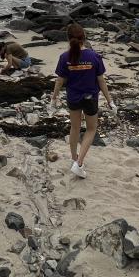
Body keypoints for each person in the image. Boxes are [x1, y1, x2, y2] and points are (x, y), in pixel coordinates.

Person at [51, 24, 115, 178]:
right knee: (91, 129)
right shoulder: (94, 56)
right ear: (84, 38)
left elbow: (60, 81)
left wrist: (54, 98)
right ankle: (78, 163)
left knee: (75, 128)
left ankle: (74, 158)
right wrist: (110, 101)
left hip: (73, 97)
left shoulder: (64, 57)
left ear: (68, 39)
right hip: (90, 98)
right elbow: (101, 81)